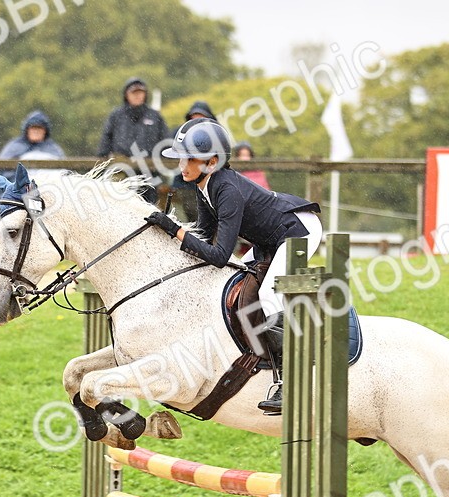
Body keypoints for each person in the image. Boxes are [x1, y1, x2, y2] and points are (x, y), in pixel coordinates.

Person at [144, 119, 322, 415]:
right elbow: (202, 237)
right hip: (270, 238)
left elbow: (217, 254)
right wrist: (167, 236)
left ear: (211, 161)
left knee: (268, 295)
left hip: (298, 231)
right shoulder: (205, 186)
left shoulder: (227, 190)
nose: (181, 165)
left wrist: (174, 230)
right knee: (238, 275)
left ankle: (292, 383)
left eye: (189, 158)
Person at [97, 77, 170, 205]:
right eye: (134, 93)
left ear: (145, 94)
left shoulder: (154, 116)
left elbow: (165, 140)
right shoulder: (116, 115)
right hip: (122, 169)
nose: (137, 96)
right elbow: (106, 137)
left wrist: (161, 161)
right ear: (126, 94)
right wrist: (103, 156)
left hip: (149, 171)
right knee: (120, 205)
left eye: (140, 92)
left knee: (149, 207)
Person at [0, 110, 64, 209]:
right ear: (27, 129)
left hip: (48, 197)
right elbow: (0, 174)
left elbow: (63, 176)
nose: (36, 131)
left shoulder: (54, 150)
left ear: (45, 131)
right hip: (17, 196)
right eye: (33, 127)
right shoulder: (13, 147)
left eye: (39, 128)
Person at [169, 100, 217, 222]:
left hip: (210, 183)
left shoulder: (216, 135)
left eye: (201, 118)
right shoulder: (180, 134)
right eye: (194, 118)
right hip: (186, 185)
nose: (197, 121)